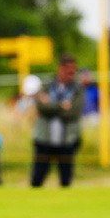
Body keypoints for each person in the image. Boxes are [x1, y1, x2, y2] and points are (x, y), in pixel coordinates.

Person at [31, 54, 83, 188]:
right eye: (68, 72)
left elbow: (74, 112)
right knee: (37, 177)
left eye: (73, 72)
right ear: (60, 69)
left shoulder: (77, 88)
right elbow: (41, 107)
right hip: (45, 139)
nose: (71, 75)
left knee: (66, 179)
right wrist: (61, 105)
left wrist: (51, 105)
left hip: (67, 139)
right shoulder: (47, 85)